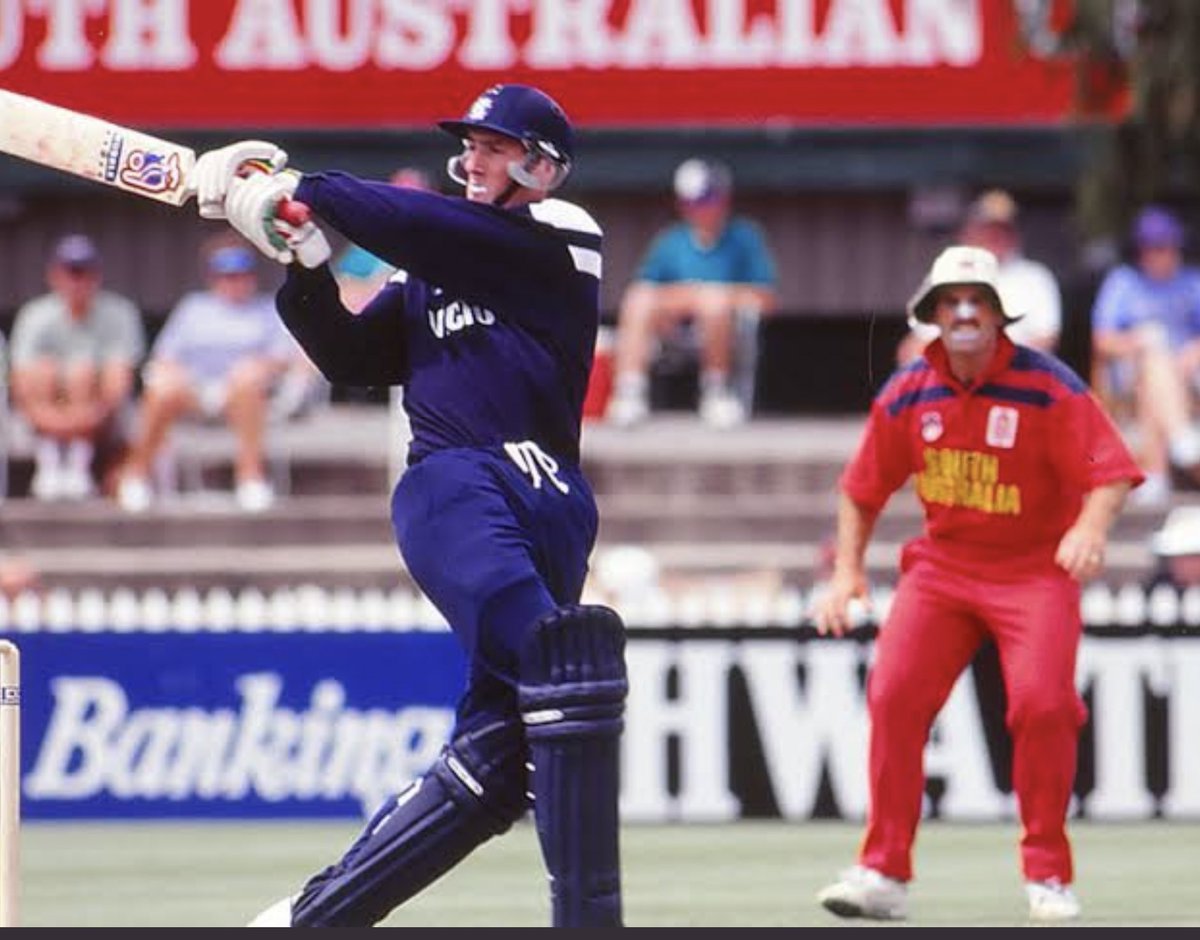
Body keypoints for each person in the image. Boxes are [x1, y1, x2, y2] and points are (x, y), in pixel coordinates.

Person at [190, 81, 628, 928]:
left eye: (493, 147)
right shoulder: (430, 271)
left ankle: (314, 920)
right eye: (468, 144)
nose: (470, 159)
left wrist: (307, 187)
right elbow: (352, 356)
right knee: (564, 660)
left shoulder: (562, 234)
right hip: (454, 481)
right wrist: (305, 262)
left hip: (553, 496)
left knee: (500, 758)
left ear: (542, 167)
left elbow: (428, 230)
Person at [812, 245, 1144, 923]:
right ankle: (883, 872)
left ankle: (1048, 874)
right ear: (933, 315)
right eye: (951, 301)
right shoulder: (909, 390)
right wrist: (847, 572)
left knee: (1044, 706)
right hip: (944, 567)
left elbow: (1110, 470)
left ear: (999, 315)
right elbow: (861, 490)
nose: (964, 312)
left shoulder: (1047, 386)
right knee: (894, 693)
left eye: (978, 301)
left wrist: (1090, 528)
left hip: (1034, 570)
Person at [115, 235, 317, 514]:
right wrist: (176, 375)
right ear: (214, 278)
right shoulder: (193, 308)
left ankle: (250, 477)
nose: (234, 282)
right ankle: (136, 476)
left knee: (246, 381)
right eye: (227, 276)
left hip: (248, 396)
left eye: (240, 275)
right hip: (195, 392)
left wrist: (261, 366)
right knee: (162, 390)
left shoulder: (268, 309)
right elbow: (165, 357)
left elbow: (289, 357)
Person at [605, 157, 777, 428]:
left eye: (708, 199)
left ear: (723, 199)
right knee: (639, 300)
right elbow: (645, 289)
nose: (701, 208)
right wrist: (687, 298)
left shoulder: (745, 238)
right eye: (693, 201)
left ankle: (716, 391)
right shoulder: (671, 241)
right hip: (672, 327)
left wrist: (708, 295)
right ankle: (630, 391)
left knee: (714, 302)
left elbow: (764, 298)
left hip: (725, 328)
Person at [8, 233, 145, 500]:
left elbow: (119, 382)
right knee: (46, 369)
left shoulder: (119, 312)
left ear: (97, 275)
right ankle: (51, 464)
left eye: (84, 272)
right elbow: (21, 380)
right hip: (45, 416)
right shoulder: (35, 314)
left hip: (102, 417)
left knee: (80, 372)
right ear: (54, 275)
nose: (77, 280)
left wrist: (85, 420)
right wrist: (53, 421)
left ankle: (77, 465)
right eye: (70, 271)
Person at [1089, 204, 1200, 507]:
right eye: (1154, 247)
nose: (1162, 254)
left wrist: (1195, 350)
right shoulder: (1123, 282)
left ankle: (1156, 475)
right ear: (1141, 251)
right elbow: (1103, 341)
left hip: (1186, 377)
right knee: (1154, 355)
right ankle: (1181, 437)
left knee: (1158, 380)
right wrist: (1138, 341)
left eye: (1168, 246)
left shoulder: (1192, 282)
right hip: (1130, 373)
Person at [897, 188, 1062, 366]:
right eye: (988, 228)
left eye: (1003, 229)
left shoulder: (1035, 277)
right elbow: (914, 345)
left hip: (1014, 375)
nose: (995, 236)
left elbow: (1045, 340)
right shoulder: (946, 273)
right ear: (971, 231)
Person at [331, 167, 435, 312]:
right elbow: (343, 287)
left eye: (414, 199)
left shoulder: (438, 244)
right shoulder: (369, 243)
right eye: (399, 197)